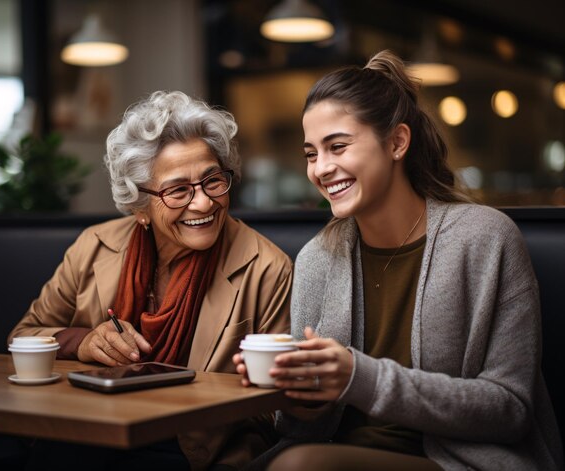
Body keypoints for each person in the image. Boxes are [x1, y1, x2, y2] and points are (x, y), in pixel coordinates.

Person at [234, 50, 563, 470]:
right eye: (311, 153)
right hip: (337, 453)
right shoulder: (317, 258)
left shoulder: (484, 239)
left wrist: (357, 376)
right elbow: (301, 431)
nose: (321, 168)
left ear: (397, 142)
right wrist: (295, 390)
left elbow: (510, 410)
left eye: (337, 146)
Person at [9, 90, 292, 471]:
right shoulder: (94, 245)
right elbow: (24, 335)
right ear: (140, 207)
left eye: (213, 181)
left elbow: (276, 407)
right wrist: (84, 341)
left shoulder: (267, 267)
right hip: (90, 428)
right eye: (178, 191)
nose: (204, 203)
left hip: (193, 449)